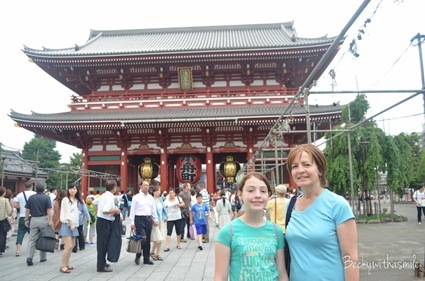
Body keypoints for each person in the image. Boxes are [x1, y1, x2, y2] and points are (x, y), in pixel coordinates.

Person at [285, 143, 358, 280]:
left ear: (320, 170)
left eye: (306, 164)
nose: (300, 170)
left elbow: (350, 258)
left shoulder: (337, 205)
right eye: (295, 166)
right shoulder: (291, 206)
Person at [215, 172, 287, 281]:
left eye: (263, 191)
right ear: (240, 194)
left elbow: (281, 273)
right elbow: (220, 277)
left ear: (269, 195)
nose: (257, 195)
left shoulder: (276, 231)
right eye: (251, 190)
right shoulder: (227, 232)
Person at [94, 179, 122, 273]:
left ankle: (102, 262)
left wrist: (97, 213)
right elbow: (105, 211)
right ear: (114, 188)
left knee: (104, 243)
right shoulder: (109, 197)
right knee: (102, 244)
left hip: (101, 220)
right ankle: (101, 266)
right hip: (105, 221)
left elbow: (94, 202)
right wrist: (115, 210)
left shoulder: (104, 195)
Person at [129, 180, 158, 266]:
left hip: (148, 219)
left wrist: (155, 219)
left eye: (148, 186)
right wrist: (132, 222)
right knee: (143, 239)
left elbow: (153, 210)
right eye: (145, 185)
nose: (146, 187)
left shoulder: (151, 198)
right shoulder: (136, 197)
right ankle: (138, 255)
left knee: (148, 239)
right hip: (139, 219)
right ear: (140, 186)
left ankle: (146, 258)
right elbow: (132, 210)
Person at [24, 182, 53, 266]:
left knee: (32, 239)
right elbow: (49, 210)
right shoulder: (46, 198)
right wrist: (50, 220)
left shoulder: (31, 198)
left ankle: (29, 257)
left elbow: (27, 210)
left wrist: (26, 219)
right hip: (43, 219)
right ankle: (43, 257)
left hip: (33, 219)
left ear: (35, 189)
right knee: (44, 237)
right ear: (44, 189)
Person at [58, 185, 80, 273]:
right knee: (68, 246)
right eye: (70, 189)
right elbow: (67, 212)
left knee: (72, 246)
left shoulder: (76, 200)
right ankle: (62, 266)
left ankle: (67, 264)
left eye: (74, 189)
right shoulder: (65, 199)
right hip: (67, 224)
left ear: (77, 190)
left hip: (74, 225)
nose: (72, 190)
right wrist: (71, 223)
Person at [14, 182, 36, 256]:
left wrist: (22, 207)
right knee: (32, 234)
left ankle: (18, 250)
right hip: (32, 216)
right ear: (32, 186)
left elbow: (15, 205)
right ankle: (32, 249)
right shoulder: (34, 194)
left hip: (22, 216)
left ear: (24, 186)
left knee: (20, 233)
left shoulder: (19, 195)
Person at [150, 186, 166, 261]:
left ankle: (157, 254)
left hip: (161, 220)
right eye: (157, 190)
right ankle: (152, 252)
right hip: (154, 221)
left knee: (161, 238)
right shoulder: (151, 200)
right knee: (158, 238)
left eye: (159, 190)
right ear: (153, 191)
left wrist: (165, 217)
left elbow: (163, 209)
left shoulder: (160, 199)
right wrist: (153, 219)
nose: (158, 192)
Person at [72, 187, 91, 253]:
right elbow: (85, 210)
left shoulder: (71, 200)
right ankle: (82, 246)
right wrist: (88, 217)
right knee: (80, 232)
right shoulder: (81, 201)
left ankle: (74, 247)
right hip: (80, 219)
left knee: (74, 233)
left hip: (73, 219)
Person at [0, 186, 13, 256]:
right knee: (2, 235)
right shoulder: (5, 200)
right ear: (4, 193)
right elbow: (9, 211)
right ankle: (1, 249)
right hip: (2, 219)